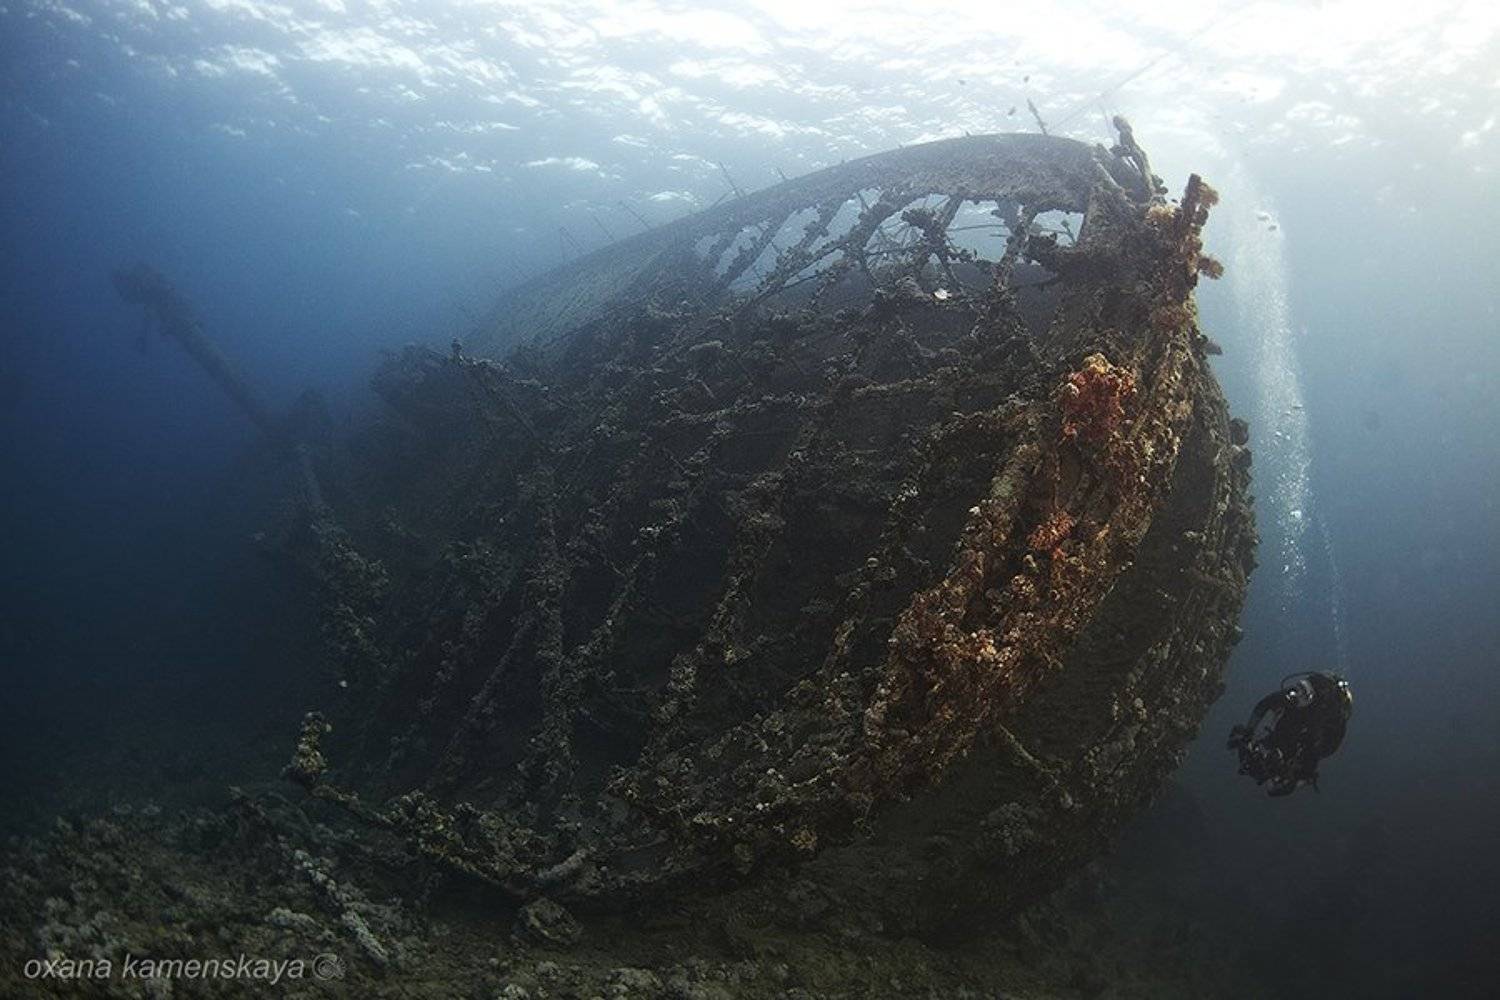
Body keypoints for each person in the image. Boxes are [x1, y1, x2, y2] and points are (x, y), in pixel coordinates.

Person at [1228, 672, 1352, 796]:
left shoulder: (1319, 727)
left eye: (1301, 694)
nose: (1296, 695)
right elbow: (1265, 704)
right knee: (1283, 735)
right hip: (1294, 729)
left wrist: (1293, 779)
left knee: (1299, 756)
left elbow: (1312, 756)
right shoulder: (1293, 697)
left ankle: (1281, 766)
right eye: (1297, 691)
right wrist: (1248, 732)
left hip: (1309, 742)